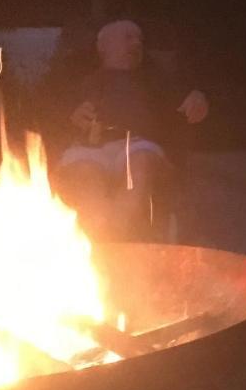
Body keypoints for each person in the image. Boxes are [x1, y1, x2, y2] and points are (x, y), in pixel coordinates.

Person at [54, 19, 208, 240]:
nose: (137, 43)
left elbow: (184, 96)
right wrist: (72, 114)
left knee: (139, 165)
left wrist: (197, 98)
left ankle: (114, 236)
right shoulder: (82, 81)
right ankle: (101, 234)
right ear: (103, 46)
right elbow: (56, 115)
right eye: (128, 37)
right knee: (87, 178)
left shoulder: (154, 80)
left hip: (136, 143)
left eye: (140, 39)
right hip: (90, 148)